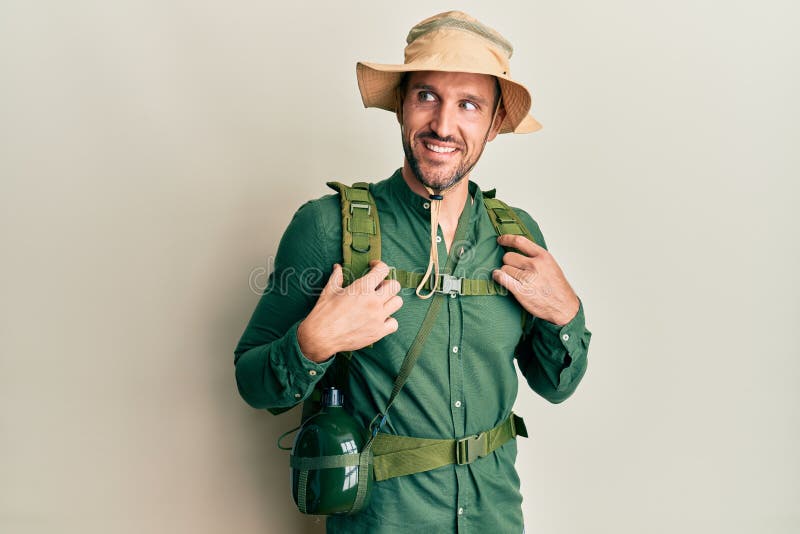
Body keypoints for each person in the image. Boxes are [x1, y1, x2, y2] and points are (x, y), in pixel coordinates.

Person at [234, 10, 591, 533]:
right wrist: (311, 343)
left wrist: (567, 313)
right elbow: (252, 381)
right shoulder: (326, 227)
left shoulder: (518, 235)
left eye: (468, 105)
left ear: (493, 125)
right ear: (401, 105)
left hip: (495, 518)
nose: (443, 126)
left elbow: (556, 386)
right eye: (426, 96)